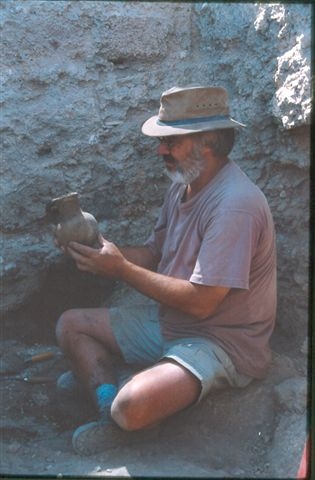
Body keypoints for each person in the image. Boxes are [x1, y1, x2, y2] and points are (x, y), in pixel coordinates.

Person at [55, 86, 277, 456]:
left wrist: (120, 269)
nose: (161, 150)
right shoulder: (183, 187)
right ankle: (106, 404)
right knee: (70, 326)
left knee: (131, 406)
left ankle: (121, 403)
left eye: (170, 141)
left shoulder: (235, 205)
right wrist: (99, 252)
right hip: (172, 323)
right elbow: (157, 253)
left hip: (220, 341)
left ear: (207, 142)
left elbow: (203, 303)